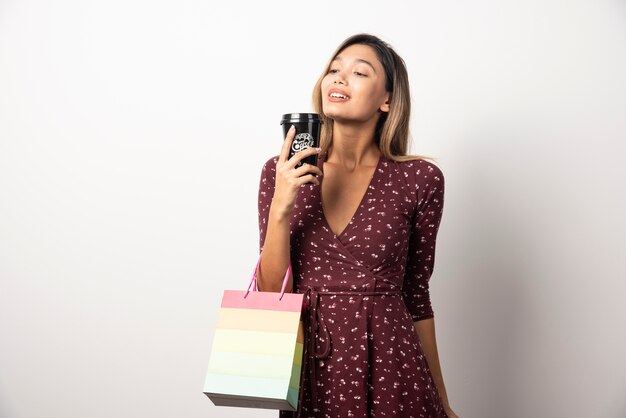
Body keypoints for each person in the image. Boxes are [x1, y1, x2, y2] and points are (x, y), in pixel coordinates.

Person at [256, 33, 458, 418]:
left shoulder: (419, 179)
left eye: (359, 72)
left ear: (387, 100)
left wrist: (443, 402)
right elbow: (271, 293)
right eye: (334, 70)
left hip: (395, 371)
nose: (339, 78)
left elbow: (416, 295)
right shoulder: (279, 173)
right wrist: (282, 205)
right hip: (313, 375)